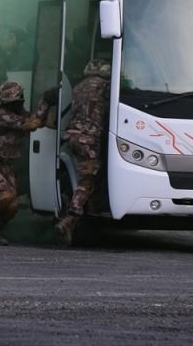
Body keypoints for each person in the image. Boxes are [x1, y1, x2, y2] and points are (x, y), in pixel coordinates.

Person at [0, 80, 56, 245]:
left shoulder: (18, 114)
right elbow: (32, 124)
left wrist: (48, 109)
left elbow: (40, 122)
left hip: (7, 165)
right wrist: (45, 101)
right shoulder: (1, 116)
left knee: (12, 205)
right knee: (5, 196)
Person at [54, 59, 112, 247]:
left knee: (85, 175)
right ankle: (69, 219)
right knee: (87, 180)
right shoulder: (105, 87)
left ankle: (90, 212)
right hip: (89, 138)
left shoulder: (79, 86)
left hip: (73, 135)